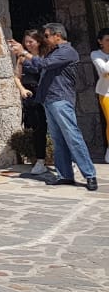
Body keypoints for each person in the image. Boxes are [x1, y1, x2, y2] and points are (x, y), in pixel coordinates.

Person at [10, 23, 97, 191]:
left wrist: (25, 52)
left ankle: (89, 174)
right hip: (49, 100)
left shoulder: (67, 51)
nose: (45, 39)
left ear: (58, 36)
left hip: (60, 99)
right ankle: (65, 175)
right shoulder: (53, 52)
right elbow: (38, 67)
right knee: (58, 140)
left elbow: (45, 64)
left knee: (72, 136)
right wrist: (21, 55)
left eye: (47, 36)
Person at [14, 28, 48, 174]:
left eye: (31, 41)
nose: (28, 44)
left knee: (57, 128)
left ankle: (66, 159)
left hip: (46, 95)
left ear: (38, 41)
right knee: (38, 129)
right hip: (32, 96)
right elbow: (17, 77)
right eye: (26, 42)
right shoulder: (21, 58)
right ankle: (40, 160)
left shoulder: (45, 56)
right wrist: (22, 89)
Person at [93, 26, 109, 164]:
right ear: (100, 41)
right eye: (107, 40)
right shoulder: (96, 54)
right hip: (106, 93)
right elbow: (104, 69)